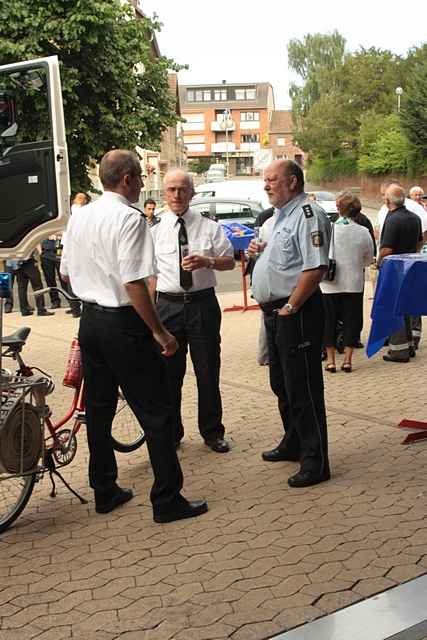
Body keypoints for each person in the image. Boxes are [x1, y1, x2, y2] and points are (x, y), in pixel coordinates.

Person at [60, 149, 207, 523]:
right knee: (156, 410)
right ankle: (167, 498)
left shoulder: (81, 216)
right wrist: (159, 331)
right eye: (140, 177)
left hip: (89, 320)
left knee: (99, 408)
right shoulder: (130, 219)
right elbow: (134, 283)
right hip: (122, 323)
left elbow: (65, 273)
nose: (143, 183)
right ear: (126, 179)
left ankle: (104, 489)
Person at [249, 159, 331, 488]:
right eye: (264, 180)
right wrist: (259, 253)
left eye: (272, 180)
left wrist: (291, 307)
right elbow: (285, 260)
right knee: (282, 383)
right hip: (275, 314)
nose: (266, 185)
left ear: (293, 182)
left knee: (304, 389)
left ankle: (316, 461)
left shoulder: (310, 215)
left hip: (296, 312)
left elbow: (315, 268)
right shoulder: (278, 218)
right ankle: (294, 441)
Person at [150, 169, 235, 453]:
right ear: (164, 193)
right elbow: (148, 276)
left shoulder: (209, 227)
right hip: (168, 307)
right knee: (167, 374)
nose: (177, 195)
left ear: (192, 193)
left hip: (202, 305)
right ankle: (172, 433)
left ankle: (212, 432)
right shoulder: (154, 230)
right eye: (171, 189)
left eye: (182, 189)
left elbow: (229, 262)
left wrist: (208, 261)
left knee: (208, 371)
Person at [320, 193, 374, 373]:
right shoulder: (363, 232)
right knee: (352, 320)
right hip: (354, 283)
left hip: (329, 284)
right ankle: (348, 360)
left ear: (338, 209)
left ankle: (331, 360)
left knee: (328, 321)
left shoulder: (328, 230)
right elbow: (368, 259)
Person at [379, 185, 423, 363]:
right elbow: (420, 242)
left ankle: (398, 351)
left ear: (388, 200)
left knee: (394, 309)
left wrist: (379, 261)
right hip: (410, 267)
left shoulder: (392, 219)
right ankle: (410, 345)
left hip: (394, 270)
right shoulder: (415, 218)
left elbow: (387, 249)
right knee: (406, 307)